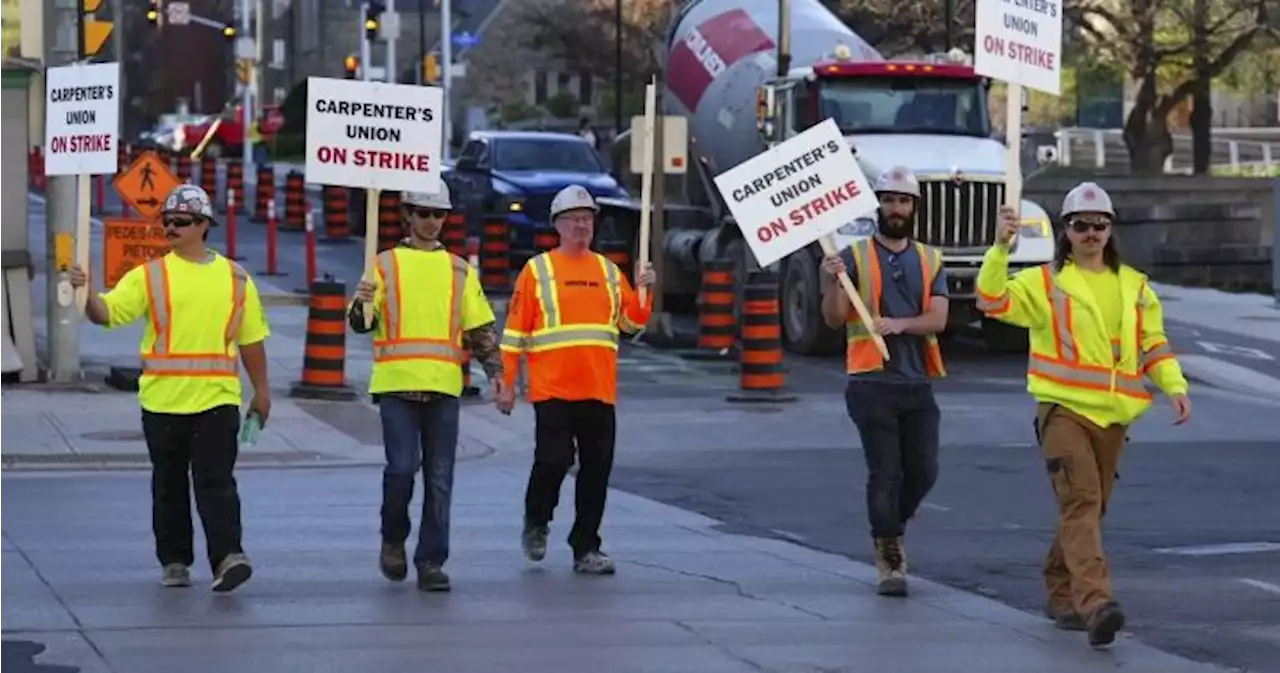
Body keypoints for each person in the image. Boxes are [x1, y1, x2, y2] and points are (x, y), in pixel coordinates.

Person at [976, 182, 1191, 647]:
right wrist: (999, 248)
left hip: (1114, 418)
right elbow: (991, 301)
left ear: (1111, 229)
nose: (1090, 232)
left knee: (1088, 509)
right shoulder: (1044, 281)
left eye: (1099, 224)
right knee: (1083, 504)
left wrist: (1175, 386)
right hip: (1063, 411)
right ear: (1065, 231)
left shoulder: (1135, 286)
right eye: (1080, 225)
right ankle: (1095, 603)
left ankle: (1059, 588)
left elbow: (1153, 344)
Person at [68, 184, 269, 593]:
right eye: (167, 221)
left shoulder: (235, 278)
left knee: (216, 482)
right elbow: (107, 314)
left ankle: (229, 557)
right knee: (169, 485)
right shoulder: (150, 275)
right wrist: (85, 292)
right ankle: (175, 561)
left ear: (202, 226)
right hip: (162, 401)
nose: (170, 227)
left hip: (217, 399)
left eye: (180, 222)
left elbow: (252, 340)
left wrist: (261, 392)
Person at [348, 183, 505, 592]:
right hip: (397, 385)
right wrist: (361, 301)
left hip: (443, 387)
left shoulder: (458, 270)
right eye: (422, 213)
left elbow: (480, 327)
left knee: (440, 477)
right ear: (407, 216)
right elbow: (361, 324)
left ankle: (431, 561)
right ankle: (393, 538)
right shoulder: (383, 265)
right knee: (401, 470)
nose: (431, 221)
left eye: (437, 214)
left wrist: (497, 374)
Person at [499, 184, 655, 575]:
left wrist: (645, 291)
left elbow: (631, 324)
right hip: (552, 388)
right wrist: (506, 381)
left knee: (596, 470)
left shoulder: (607, 271)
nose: (582, 227)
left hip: (598, 390)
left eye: (587, 220)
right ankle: (537, 521)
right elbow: (515, 332)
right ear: (558, 225)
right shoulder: (537, 271)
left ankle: (586, 546)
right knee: (553, 461)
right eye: (574, 220)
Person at [819, 165, 949, 598]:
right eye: (889, 200)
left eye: (903, 201)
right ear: (878, 205)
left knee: (924, 470)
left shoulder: (930, 259)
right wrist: (832, 279)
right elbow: (835, 317)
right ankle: (889, 556)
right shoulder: (853, 257)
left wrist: (901, 324)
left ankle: (890, 521)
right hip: (869, 380)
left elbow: (940, 318)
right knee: (886, 471)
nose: (896, 208)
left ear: (914, 207)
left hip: (916, 381)